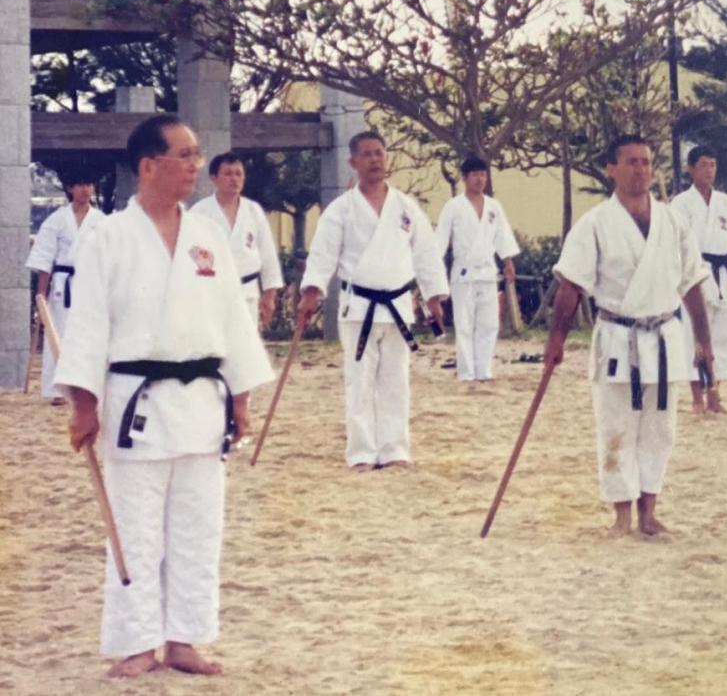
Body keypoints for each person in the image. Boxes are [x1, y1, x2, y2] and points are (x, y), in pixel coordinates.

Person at [54, 115, 274, 678]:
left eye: (197, 154)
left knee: (198, 529)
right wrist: (84, 404)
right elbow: (88, 324)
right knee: (134, 530)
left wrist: (241, 397)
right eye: (186, 155)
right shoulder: (108, 236)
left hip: (202, 402)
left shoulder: (207, 236)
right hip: (138, 405)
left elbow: (232, 318)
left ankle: (184, 639)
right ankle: (136, 642)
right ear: (149, 165)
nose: (196, 165)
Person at [544, 135, 713, 537]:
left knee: (660, 428)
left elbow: (691, 283)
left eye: (646, 162)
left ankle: (649, 511)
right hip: (619, 338)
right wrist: (556, 340)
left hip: (664, 334)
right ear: (612, 169)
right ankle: (622, 514)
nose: (641, 169)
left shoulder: (673, 221)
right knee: (617, 426)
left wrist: (704, 340)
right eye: (632, 162)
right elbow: (571, 286)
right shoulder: (595, 224)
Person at [297, 131, 449, 471]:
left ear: (387, 157)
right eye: (366, 154)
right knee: (360, 382)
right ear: (353, 162)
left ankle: (395, 449)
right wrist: (312, 291)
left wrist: (434, 295)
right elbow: (323, 254)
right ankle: (362, 452)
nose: (375, 159)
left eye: (379, 152)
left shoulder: (406, 206)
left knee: (396, 382)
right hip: (359, 307)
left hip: (398, 305)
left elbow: (425, 254)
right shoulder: (341, 209)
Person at [671, 145, 727, 413]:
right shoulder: (680, 204)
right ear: (691, 169)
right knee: (693, 334)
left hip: (723, 274)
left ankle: (715, 394)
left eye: (713, 165)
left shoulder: (725, 203)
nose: (709, 171)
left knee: (723, 335)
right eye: (703, 165)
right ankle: (697, 397)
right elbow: (676, 245)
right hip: (695, 273)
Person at [436, 156, 520, 381]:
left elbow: (503, 236)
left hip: (487, 272)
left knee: (489, 323)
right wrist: (434, 272)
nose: (480, 179)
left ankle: (483, 370)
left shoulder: (494, 206)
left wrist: (508, 262)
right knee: (464, 324)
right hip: (463, 272)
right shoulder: (453, 206)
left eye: (483, 174)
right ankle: (466, 372)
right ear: (465, 178)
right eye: (475, 174)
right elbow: (440, 241)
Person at [26, 169, 104, 403]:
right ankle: (58, 390)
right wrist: (41, 293)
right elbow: (45, 257)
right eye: (79, 185)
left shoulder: (102, 221)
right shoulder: (57, 220)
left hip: (91, 283)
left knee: (89, 335)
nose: (85, 190)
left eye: (89, 184)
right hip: (63, 285)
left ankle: (87, 389)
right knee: (58, 332)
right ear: (70, 189)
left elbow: (108, 257)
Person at [192, 152, 283, 328]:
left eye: (238, 174)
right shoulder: (200, 212)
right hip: (212, 292)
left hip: (247, 291)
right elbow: (192, 252)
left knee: (246, 343)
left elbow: (267, 253)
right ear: (214, 178)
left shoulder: (253, 210)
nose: (234, 179)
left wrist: (269, 295)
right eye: (228, 174)